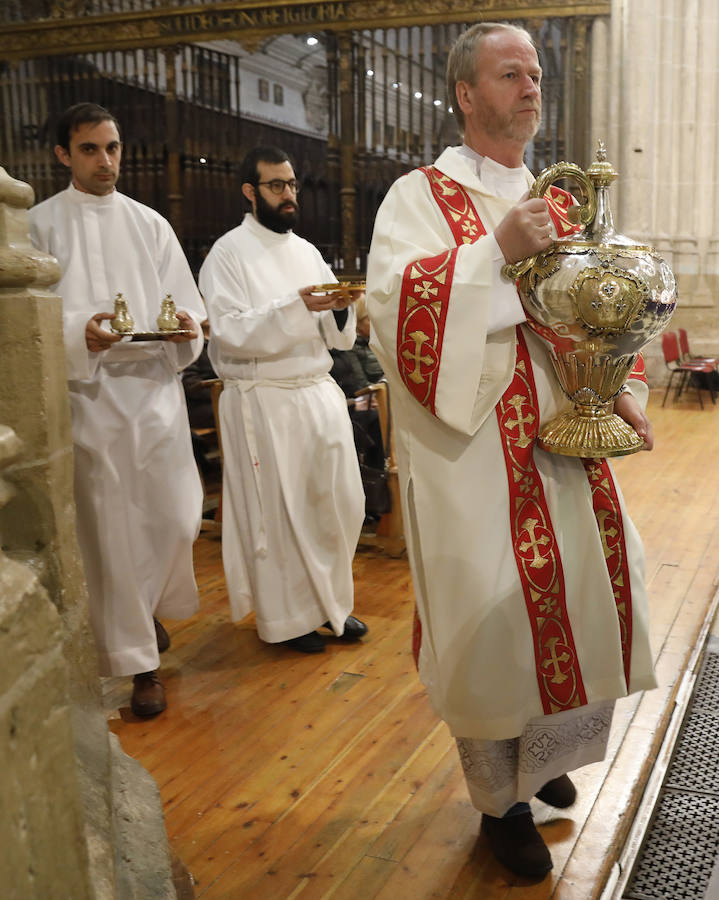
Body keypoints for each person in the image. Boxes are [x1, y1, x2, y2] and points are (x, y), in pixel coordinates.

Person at [366, 23, 657, 878]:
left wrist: (626, 388)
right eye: (509, 74)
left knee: (577, 597)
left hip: (563, 445)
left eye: (535, 74)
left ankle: (543, 759)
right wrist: (492, 254)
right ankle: (500, 806)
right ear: (465, 94)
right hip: (471, 459)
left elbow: (609, 298)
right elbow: (392, 315)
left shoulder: (559, 200)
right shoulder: (418, 195)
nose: (531, 87)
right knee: (488, 621)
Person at [29, 103, 206, 717]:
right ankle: (140, 666)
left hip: (155, 395)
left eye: (112, 147)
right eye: (89, 149)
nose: (105, 161)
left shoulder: (150, 223)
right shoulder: (39, 224)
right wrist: (82, 331)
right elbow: (30, 316)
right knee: (113, 533)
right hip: (91, 400)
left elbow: (188, 308)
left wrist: (186, 328)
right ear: (62, 155)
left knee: (177, 520)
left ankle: (149, 611)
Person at [198, 146, 368, 655]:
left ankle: (332, 608)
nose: (289, 194)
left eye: (292, 184)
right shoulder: (227, 254)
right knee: (280, 512)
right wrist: (297, 307)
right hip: (264, 398)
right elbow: (229, 333)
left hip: (316, 392)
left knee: (336, 505)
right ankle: (288, 620)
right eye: (276, 185)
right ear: (250, 191)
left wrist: (339, 309)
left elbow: (338, 339)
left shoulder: (308, 252)